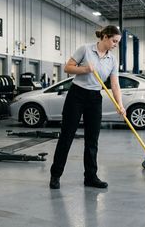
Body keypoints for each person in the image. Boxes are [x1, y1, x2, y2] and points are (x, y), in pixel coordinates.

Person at [49, 25, 126, 189]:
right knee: (67, 136)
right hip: (76, 95)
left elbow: (115, 84)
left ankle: (90, 177)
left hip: (94, 97)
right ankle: (55, 175)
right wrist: (85, 69)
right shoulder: (85, 49)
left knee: (92, 140)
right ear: (105, 37)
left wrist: (120, 105)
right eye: (114, 41)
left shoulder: (112, 60)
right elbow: (67, 67)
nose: (115, 45)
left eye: (117, 42)